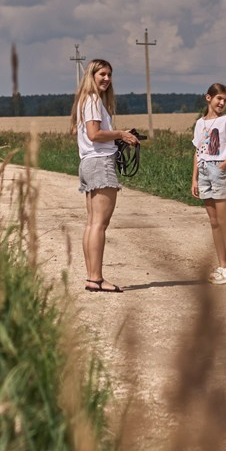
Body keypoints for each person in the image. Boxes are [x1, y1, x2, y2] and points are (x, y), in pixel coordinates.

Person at [72, 57, 141, 292]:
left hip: (89, 162)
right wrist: (120, 134)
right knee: (99, 224)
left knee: (92, 224)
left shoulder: (86, 100)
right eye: (102, 74)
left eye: (109, 75)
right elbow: (94, 133)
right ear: (91, 75)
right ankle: (96, 278)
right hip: (100, 163)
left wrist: (118, 134)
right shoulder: (92, 100)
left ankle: (93, 277)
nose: (107, 79)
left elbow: (92, 133)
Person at [191, 83, 226, 284]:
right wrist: (194, 178)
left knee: (224, 220)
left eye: (225, 100)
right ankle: (222, 266)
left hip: (219, 171)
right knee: (214, 222)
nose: (222, 103)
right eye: (218, 98)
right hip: (203, 171)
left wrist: (222, 166)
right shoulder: (200, 123)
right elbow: (197, 152)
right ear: (208, 98)